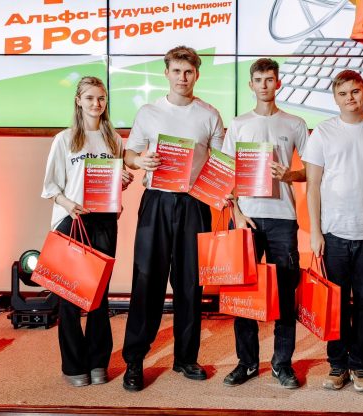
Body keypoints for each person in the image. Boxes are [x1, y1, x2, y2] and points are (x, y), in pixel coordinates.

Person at [121, 45, 225, 391]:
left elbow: (220, 163)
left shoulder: (209, 115)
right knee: (146, 280)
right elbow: (130, 154)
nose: (183, 77)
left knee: (190, 283)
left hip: (195, 204)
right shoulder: (149, 112)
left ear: (197, 75)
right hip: (157, 201)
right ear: (166, 73)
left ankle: (185, 358)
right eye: (177, 71)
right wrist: (140, 162)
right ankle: (134, 360)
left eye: (189, 72)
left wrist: (224, 190)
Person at [303, 70, 363, 393]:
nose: (350, 98)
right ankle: (337, 364)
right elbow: (313, 185)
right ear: (335, 98)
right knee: (337, 303)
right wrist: (316, 232)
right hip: (334, 233)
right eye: (343, 93)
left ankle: (360, 365)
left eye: (355, 91)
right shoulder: (323, 132)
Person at [221, 58, 308, 389]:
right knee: (242, 292)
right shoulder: (239, 124)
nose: (264, 85)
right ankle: (246, 363)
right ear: (251, 84)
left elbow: (312, 170)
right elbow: (227, 172)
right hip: (246, 217)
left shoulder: (295, 123)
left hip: (283, 218)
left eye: (269, 79)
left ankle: (282, 364)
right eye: (258, 80)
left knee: (285, 292)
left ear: (278, 83)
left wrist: (290, 174)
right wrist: (237, 212)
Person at [41, 76, 134, 387]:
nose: (97, 103)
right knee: (69, 297)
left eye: (101, 98)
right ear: (78, 101)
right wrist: (69, 204)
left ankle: (97, 363)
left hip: (105, 222)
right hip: (72, 221)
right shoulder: (65, 139)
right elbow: (51, 187)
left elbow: (114, 182)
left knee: (99, 296)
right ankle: (73, 366)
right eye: (90, 98)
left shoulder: (114, 140)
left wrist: (122, 182)